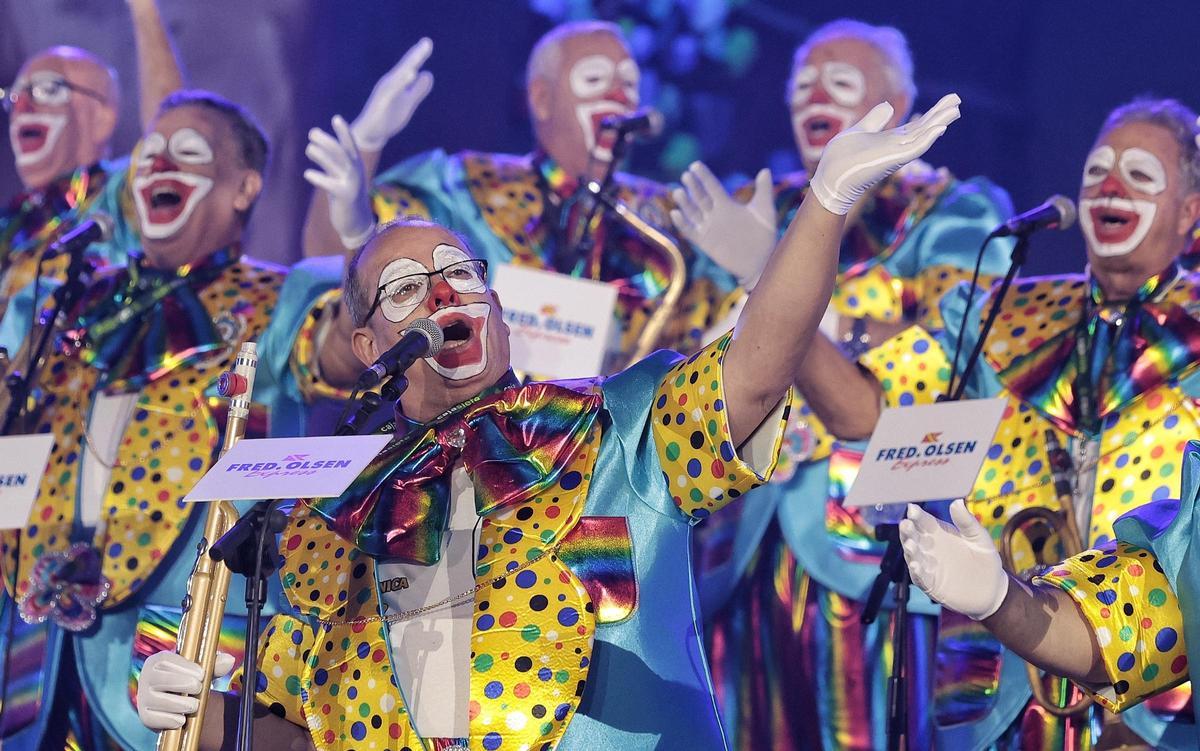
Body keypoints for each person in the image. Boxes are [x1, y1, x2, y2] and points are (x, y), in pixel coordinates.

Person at [133, 94, 963, 750]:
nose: (446, 292)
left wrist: (823, 202)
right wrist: (191, 709)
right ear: (366, 342)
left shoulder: (613, 423)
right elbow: (302, 730)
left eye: (462, 272)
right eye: (408, 288)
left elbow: (754, 370)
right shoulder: (331, 515)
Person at [785, 97, 1200, 749]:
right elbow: (861, 409)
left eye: (1141, 176)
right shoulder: (1001, 312)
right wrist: (779, 295)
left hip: (1153, 689)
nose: (1110, 187)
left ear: (1190, 210)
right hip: (1004, 685)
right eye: (1096, 172)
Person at [672, 19, 1013, 750]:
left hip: (872, 560)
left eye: (840, 81)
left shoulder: (956, 216)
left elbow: (890, 407)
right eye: (801, 85)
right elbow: (695, 381)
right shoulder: (758, 205)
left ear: (896, 100)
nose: (814, 95)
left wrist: (765, 273)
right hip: (741, 554)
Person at [0, 89, 352, 751]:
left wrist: (358, 231)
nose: (159, 165)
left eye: (188, 155)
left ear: (244, 186)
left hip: (178, 623)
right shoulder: (68, 300)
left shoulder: (278, 298)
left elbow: (340, 349)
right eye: (150, 152)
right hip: (33, 635)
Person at [300, 22, 749, 371]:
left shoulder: (667, 218)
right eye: (595, 80)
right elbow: (344, 278)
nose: (619, 96)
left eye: (629, 85)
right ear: (541, 98)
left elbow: (719, 341)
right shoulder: (463, 185)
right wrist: (361, 170)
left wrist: (756, 270)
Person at [0, 0, 183, 317]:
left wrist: (143, 8)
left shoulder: (119, 192)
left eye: (46, 90)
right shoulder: (12, 221)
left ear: (102, 118)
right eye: (13, 97)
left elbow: (173, 136)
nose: (21, 108)